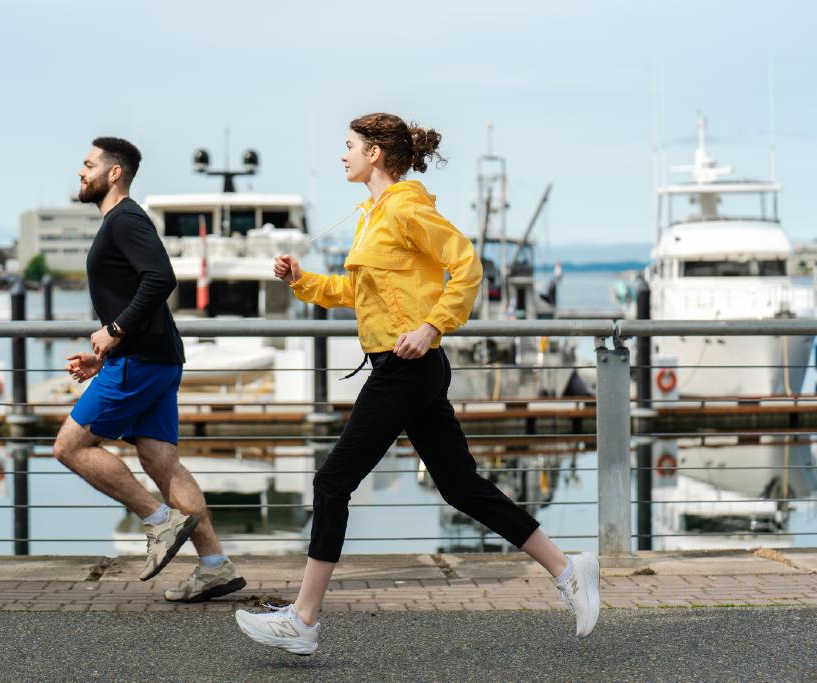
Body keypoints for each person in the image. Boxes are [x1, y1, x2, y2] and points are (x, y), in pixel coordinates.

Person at [234, 114, 599, 655]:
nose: (343, 155)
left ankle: (303, 620)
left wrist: (432, 326)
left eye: (349, 146)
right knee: (460, 486)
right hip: (403, 368)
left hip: (408, 367)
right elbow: (357, 294)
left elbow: (468, 267)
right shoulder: (373, 214)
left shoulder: (406, 208)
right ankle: (569, 571)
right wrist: (301, 280)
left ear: (375, 154)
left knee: (332, 482)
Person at [53, 137, 245, 603]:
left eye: (88, 164)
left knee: (70, 446)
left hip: (140, 360)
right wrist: (105, 354)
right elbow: (140, 289)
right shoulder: (121, 221)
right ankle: (215, 567)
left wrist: (115, 331)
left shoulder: (125, 218)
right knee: (161, 462)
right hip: (152, 358)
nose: (80, 172)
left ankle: (160, 520)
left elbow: (161, 278)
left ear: (114, 172)